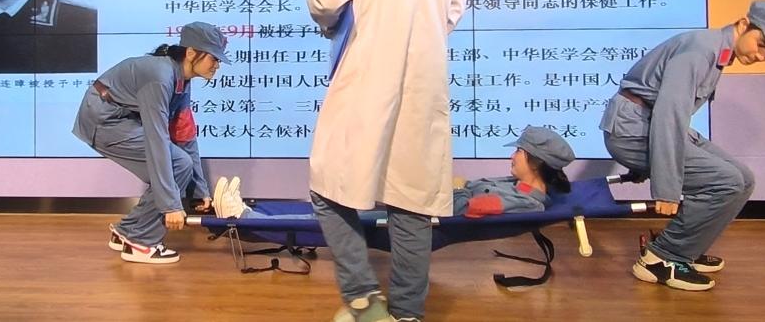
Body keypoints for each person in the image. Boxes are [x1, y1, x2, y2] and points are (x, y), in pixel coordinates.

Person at [305, 0, 474, 322]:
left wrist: (329, 22)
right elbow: (454, 6)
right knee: (412, 197)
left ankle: (362, 296)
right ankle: (407, 313)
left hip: (367, 64)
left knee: (327, 184)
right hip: (425, 72)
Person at [600, 0, 765, 291]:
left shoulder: (717, 50)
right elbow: (669, 115)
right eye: (762, 44)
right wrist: (666, 188)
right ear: (743, 25)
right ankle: (662, 258)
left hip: (645, 125)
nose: (762, 56)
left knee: (743, 178)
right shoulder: (702, 49)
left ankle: (685, 248)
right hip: (633, 131)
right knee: (726, 182)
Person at [72, 22, 228, 264]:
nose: (217, 65)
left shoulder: (181, 81)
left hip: (121, 119)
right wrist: (171, 206)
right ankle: (140, 243)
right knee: (178, 164)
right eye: (214, 58)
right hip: (103, 121)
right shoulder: (160, 77)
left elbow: (185, 136)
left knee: (180, 163)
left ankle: (127, 231)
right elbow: (158, 140)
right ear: (191, 53)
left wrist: (200, 191)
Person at [211, 127, 576, 221]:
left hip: (419, 211)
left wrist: (450, 186)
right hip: (421, 201)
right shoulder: (518, 185)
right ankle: (247, 211)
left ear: (536, 162)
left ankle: (242, 216)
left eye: (518, 152)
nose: (512, 156)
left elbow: (475, 206)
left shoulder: (528, 200)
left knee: (338, 218)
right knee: (340, 207)